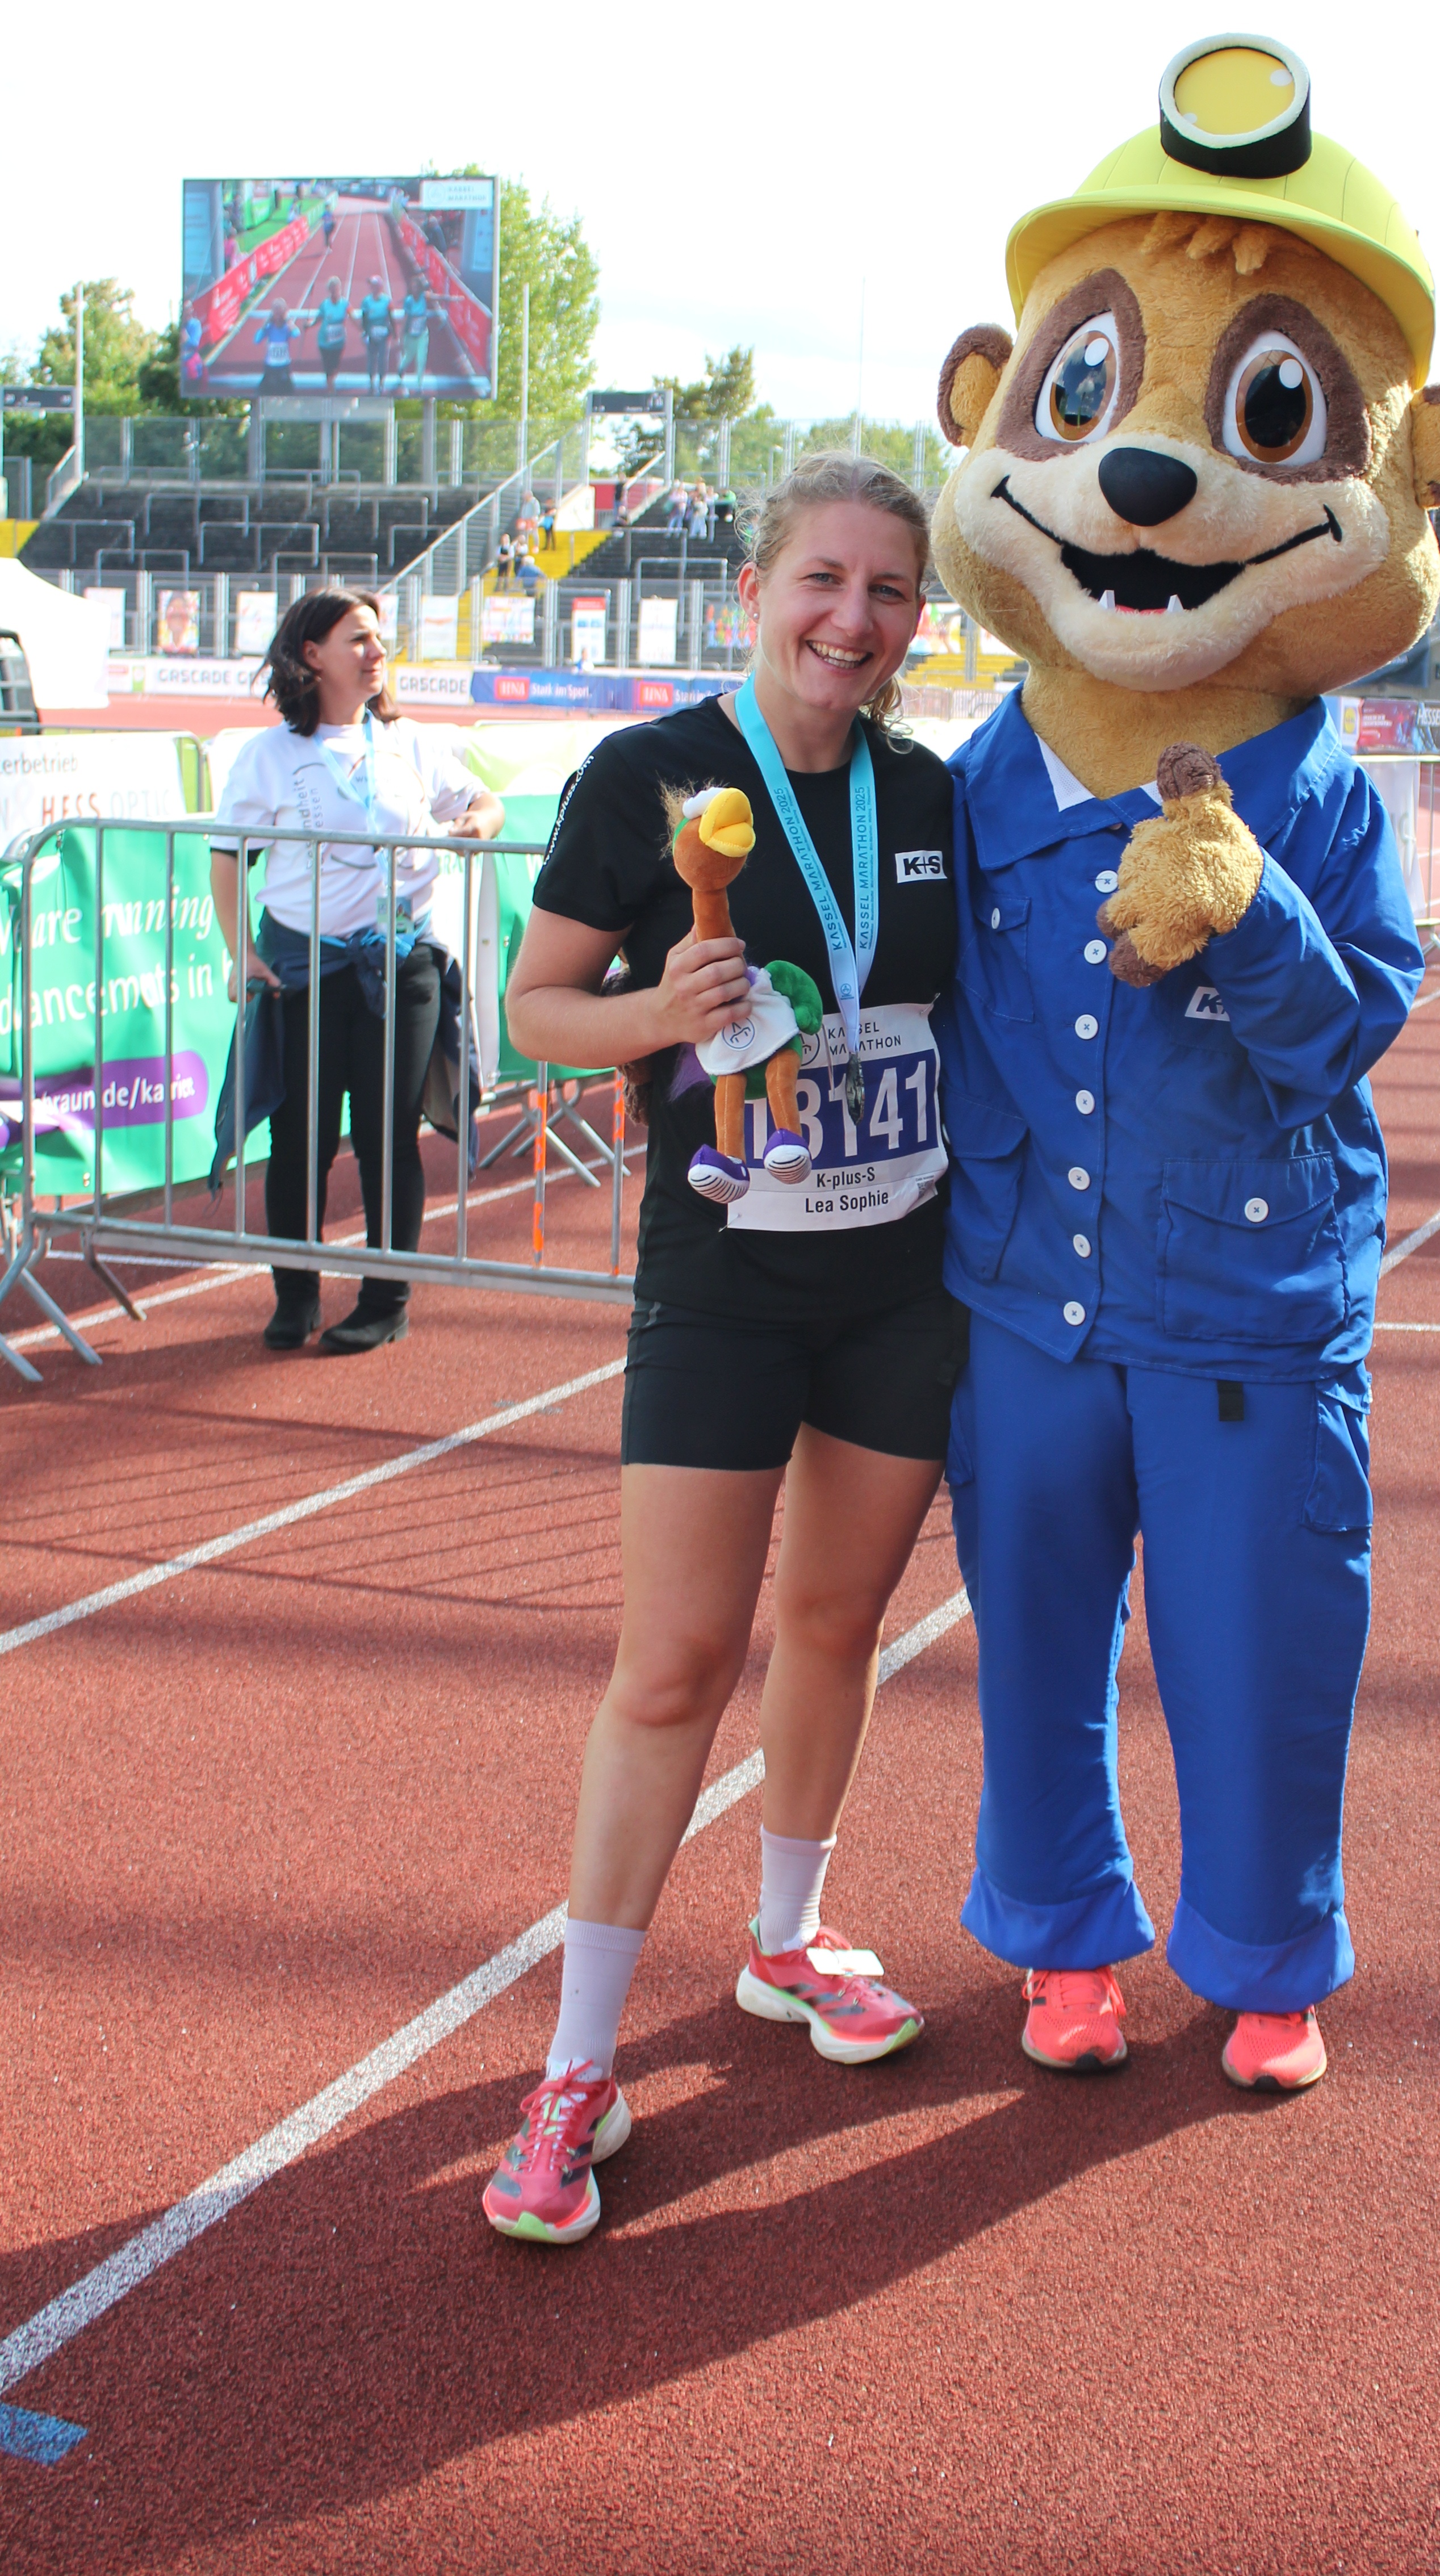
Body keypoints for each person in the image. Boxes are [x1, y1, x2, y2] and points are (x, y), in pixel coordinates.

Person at [483, 454, 958, 2248]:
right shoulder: (648, 777)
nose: (853, 619)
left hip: (904, 1276)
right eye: (823, 580)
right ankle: (579, 2066)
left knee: (834, 1626)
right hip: (727, 1270)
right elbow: (531, 1008)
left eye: (889, 593)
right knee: (675, 1660)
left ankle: (786, 1941)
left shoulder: (929, 791)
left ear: (920, 620)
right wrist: (644, 1016)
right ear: (757, 587)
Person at [209, 589, 504, 1352]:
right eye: (359, 640)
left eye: (379, 640)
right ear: (312, 655)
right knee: (299, 1136)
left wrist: (477, 822)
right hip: (304, 971)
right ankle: (295, 1294)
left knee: (386, 1136)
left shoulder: (407, 743)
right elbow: (227, 858)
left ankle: (387, 1299)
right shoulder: (268, 755)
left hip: (403, 970)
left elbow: (486, 802)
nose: (377, 653)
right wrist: (241, 951)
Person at [252, 300, 298, 396]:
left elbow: (296, 334)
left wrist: (289, 321)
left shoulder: (287, 328)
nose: (278, 317)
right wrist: (265, 325)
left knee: (288, 392)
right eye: (276, 313)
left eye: (280, 314)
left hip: (284, 364)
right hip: (271, 365)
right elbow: (257, 340)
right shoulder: (269, 328)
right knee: (265, 391)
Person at [357, 275, 394, 393]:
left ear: (380, 287)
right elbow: (364, 318)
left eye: (376, 286)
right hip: (371, 335)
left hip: (383, 334)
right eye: (372, 286)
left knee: (383, 359)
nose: (374, 288)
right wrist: (365, 332)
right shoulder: (366, 301)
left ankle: (382, 382)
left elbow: (391, 317)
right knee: (372, 359)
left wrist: (393, 332)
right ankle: (372, 383)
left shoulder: (387, 300)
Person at [313, 278, 349, 396]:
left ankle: (331, 383)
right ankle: (331, 390)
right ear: (329, 290)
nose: (335, 291)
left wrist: (362, 329)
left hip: (338, 342)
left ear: (340, 289)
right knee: (328, 367)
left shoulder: (345, 304)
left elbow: (352, 316)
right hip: (325, 342)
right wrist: (309, 325)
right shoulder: (325, 304)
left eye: (337, 288)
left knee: (335, 367)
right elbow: (319, 318)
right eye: (332, 288)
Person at [397, 277, 432, 393]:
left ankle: (419, 384)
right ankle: (401, 368)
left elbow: (437, 297)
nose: (415, 289)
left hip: (422, 334)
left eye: (417, 287)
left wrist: (451, 298)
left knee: (421, 359)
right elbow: (405, 318)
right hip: (411, 334)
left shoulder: (424, 297)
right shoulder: (409, 301)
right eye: (413, 287)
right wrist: (401, 336)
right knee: (409, 357)